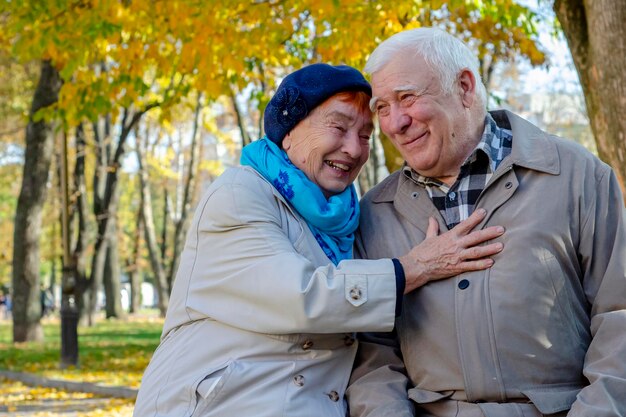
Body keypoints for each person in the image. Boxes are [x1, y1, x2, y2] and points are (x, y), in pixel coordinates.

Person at [133, 63, 505, 417]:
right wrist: (415, 267)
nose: (354, 149)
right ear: (289, 130)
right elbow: (300, 296)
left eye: (364, 135)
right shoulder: (240, 193)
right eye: (338, 128)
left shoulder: (349, 216)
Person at [346, 27, 626, 417]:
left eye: (407, 98)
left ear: (463, 87)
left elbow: (619, 316)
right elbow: (372, 354)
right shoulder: (376, 211)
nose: (395, 123)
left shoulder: (577, 176)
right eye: (382, 108)